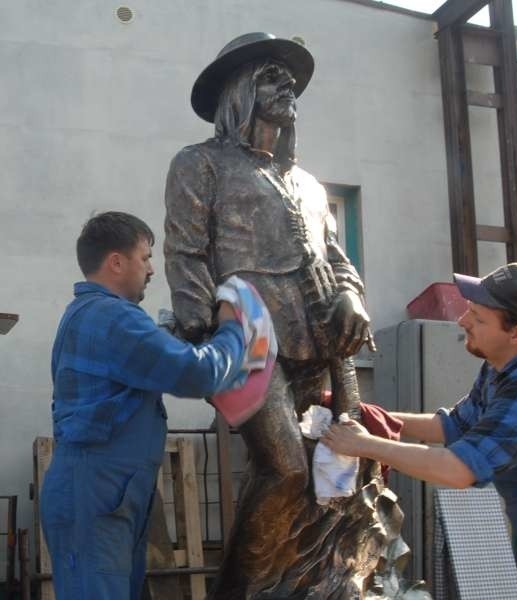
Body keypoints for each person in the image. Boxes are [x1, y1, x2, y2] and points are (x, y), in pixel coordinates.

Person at [164, 32, 379, 598]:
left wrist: (353, 296)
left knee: (336, 472)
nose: (287, 87)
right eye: (271, 76)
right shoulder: (200, 164)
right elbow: (185, 253)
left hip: (324, 343)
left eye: (290, 80)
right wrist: (203, 333)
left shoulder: (307, 182)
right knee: (284, 469)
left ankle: (316, 582)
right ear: (240, 90)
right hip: (252, 342)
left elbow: (335, 258)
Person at [323, 262, 517, 600]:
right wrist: (371, 415)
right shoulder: (502, 365)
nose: (462, 321)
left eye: (479, 319)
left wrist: (365, 445)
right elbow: (453, 425)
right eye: (470, 310)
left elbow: (459, 469)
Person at [41, 211, 258, 600]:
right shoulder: (112, 318)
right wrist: (233, 327)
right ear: (116, 262)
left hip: (106, 491)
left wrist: (173, 336)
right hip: (96, 491)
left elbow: (150, 359)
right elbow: (197, 374)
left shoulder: (94, 316)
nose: (152, 269)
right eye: (146, 257)